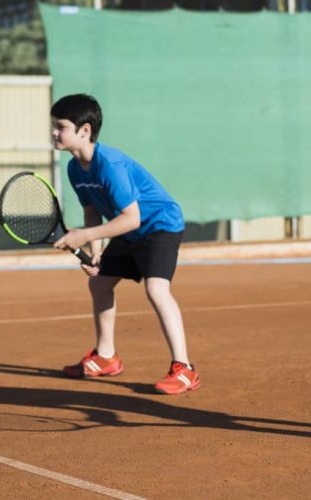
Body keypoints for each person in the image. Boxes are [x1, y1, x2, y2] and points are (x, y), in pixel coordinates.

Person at [50, 93, 200, 395]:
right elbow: (92, 210)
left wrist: (86, 236)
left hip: (159, 225)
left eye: (61, 127)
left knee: (156, 289)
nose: (54, 132)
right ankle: (106, 357)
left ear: (85, 131)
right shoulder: (74, 168)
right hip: (128, 230)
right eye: (53, 126)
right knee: (100, 284)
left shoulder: (110, 165)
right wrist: (94, 252)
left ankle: (184, 369)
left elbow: (132, 218)